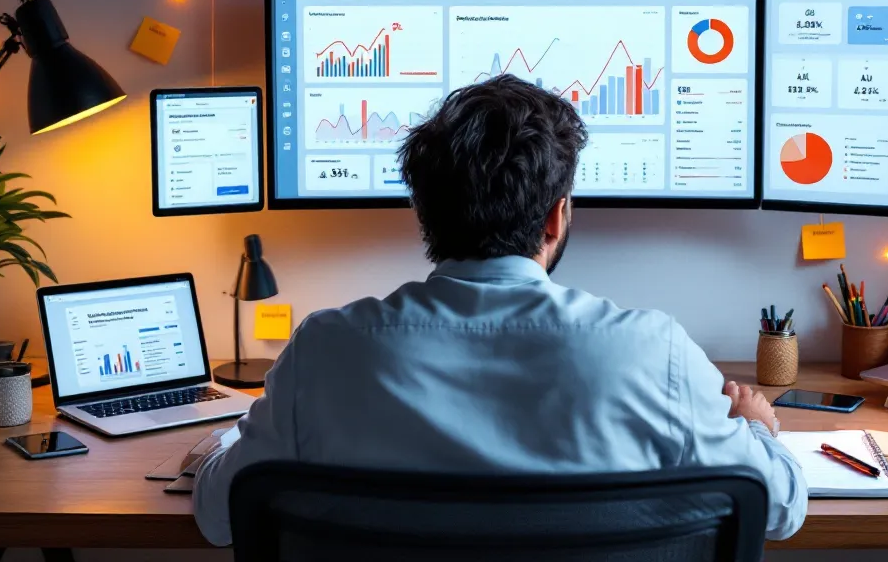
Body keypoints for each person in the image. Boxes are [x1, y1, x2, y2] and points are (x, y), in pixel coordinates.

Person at [193, 75, 807, 545]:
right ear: (554, 216)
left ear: (425, 213)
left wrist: (226, 443)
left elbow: (219, 517)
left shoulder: (326, 350)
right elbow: (780, 508)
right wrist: (757, 425)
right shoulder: (654, 353)